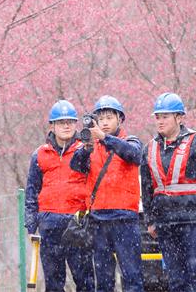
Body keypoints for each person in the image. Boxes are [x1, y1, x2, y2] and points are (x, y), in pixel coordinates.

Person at [140, 92, 196, 292]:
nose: (160, 122)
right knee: (175, 278)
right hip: (166, 223)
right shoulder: (149, 149)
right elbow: (147, 188)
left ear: (179, 118)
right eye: (158, 117)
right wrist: (150, 220)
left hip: (194, 220)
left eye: (165, 117)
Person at [70, 95, 144, 292]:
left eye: (109, 117)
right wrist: (86, 148)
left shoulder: (130, 141)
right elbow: (75, 166)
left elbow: (134, 155)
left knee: (132, 276)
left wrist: (104, 138)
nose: (104, 122)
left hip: (124, 219)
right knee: (103, 280)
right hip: (99, 220)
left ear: (120, 119)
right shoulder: (92, 146)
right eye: (100, 118)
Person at [25, 100, 95, 292]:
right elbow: (32, 190)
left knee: (86, 280)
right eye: (61, 122)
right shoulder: (39, 155)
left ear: (76, 125)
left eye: (70, 122)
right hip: (49, 224)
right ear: (53, 126)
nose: (66, 126)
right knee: (54, 283)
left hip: (78, 224)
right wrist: (32, 224)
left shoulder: (85, 151)